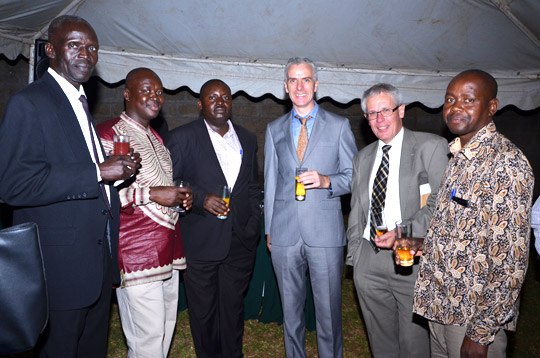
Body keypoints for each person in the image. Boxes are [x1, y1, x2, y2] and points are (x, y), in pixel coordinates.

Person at [0, 15, 140, 357]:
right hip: (59, 272)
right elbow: (13, 185)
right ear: (50, 49)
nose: (86, 54)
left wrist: (116, 173)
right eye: (74, 45)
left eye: (92, 47)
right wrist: (97, 171)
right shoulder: (30, 102)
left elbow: (77, 174)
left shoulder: (80, 103)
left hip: (94, 268)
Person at [413, 70, 534, 358]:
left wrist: (481, 333)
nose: (456, 107)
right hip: (441, 304)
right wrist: (427, 245)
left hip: (472, 317)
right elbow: (464, 226)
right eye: (450, 99)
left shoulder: (506, 164)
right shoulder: (458, 156)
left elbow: (510, 260)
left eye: (468, 99)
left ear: (492, 107)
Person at [264, 57, 357, 358]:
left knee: (328, 314)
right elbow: (270, 181)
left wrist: (326, 180)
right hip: (284, 233)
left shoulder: (339, 125)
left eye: (305, 79)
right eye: (293, 80)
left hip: (325, 234)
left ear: (316, 85)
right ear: (285, 87)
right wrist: (269, 230)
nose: (299, 86)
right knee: (291, 314)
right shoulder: (274, 128)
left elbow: (354, 177)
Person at [346, 83, 448, 357]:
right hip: (370, 259)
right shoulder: (363, 157)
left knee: (414, 343)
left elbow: (442, 202)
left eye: (385, 111)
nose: (379, 119)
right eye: (371, 114)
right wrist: (356, 257)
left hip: (411, 259)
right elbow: (356, 211)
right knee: (381, 343)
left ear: (401, 110)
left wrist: (405, 232)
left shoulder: (431, 146)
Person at [97, 68, 191, 358]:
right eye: (147, 90)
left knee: (164, 330)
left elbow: (157, 186)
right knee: (146, 338)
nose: (155, 97)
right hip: (136, 251)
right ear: (127, 94)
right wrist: (152, 194)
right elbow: (99, 194)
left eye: (160, 92)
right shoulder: (108, 133)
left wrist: (176, 197)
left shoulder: (158, 140)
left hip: (169, 247)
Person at [166, 79, 260, 358]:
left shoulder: (248, 138)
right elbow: (171, 181)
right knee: (204, 311)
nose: (220, 102)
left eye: (225, 97)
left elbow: (252, 186)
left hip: (240, 240)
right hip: (201, 240)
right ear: (200, 104)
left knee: (233, 309)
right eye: (212, 97)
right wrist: (200, 199)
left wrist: (253, 221)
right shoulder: (182, 137)